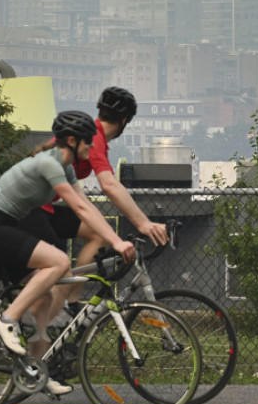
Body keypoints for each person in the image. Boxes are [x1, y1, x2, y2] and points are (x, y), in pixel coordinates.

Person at [0, 110, 135, 396]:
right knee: (59, 262)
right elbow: (80, 209)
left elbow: (87, 208)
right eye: (87, 142)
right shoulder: (49, 163)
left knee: (44, 298)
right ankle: (7, 320)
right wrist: (116, 242)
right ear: (71, 140)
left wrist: (113, 238)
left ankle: (36, 370)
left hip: (7, 224)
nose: (92, 147)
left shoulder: (66, 167)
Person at [18, 86, 169, 331]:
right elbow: (109, 184)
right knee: (59, 266)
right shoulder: (94, 138)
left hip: (43, 206)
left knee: (98, 233)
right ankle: (45, 321)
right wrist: (143, 222)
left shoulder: (93, 136)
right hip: (29, 208)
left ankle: (70, 303)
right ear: (124, 121)